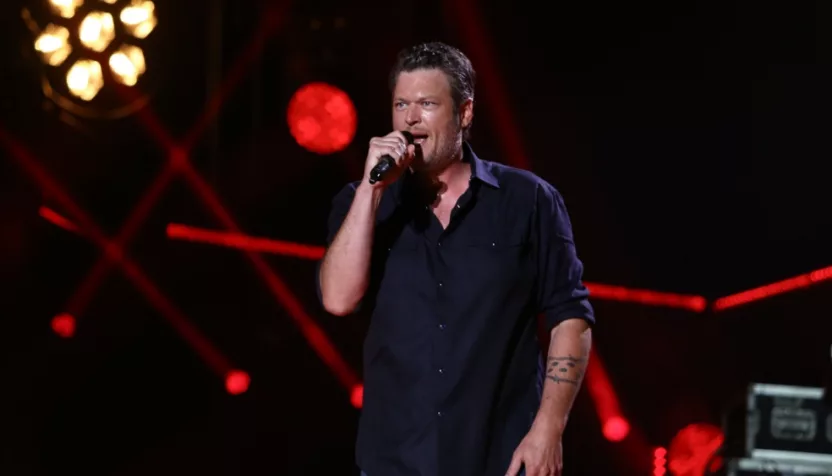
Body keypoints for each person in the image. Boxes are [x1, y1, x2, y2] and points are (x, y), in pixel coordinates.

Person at [317, 41, 595, 476]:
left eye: (427, 104)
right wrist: (372, 192)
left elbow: (570, 318)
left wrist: (548, 430)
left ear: (465, 113)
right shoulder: (362, 204)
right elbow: (337, 299)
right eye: (401, 105)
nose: (410, 118)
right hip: (395, 461)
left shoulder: (529, 201)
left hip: (500, 459)